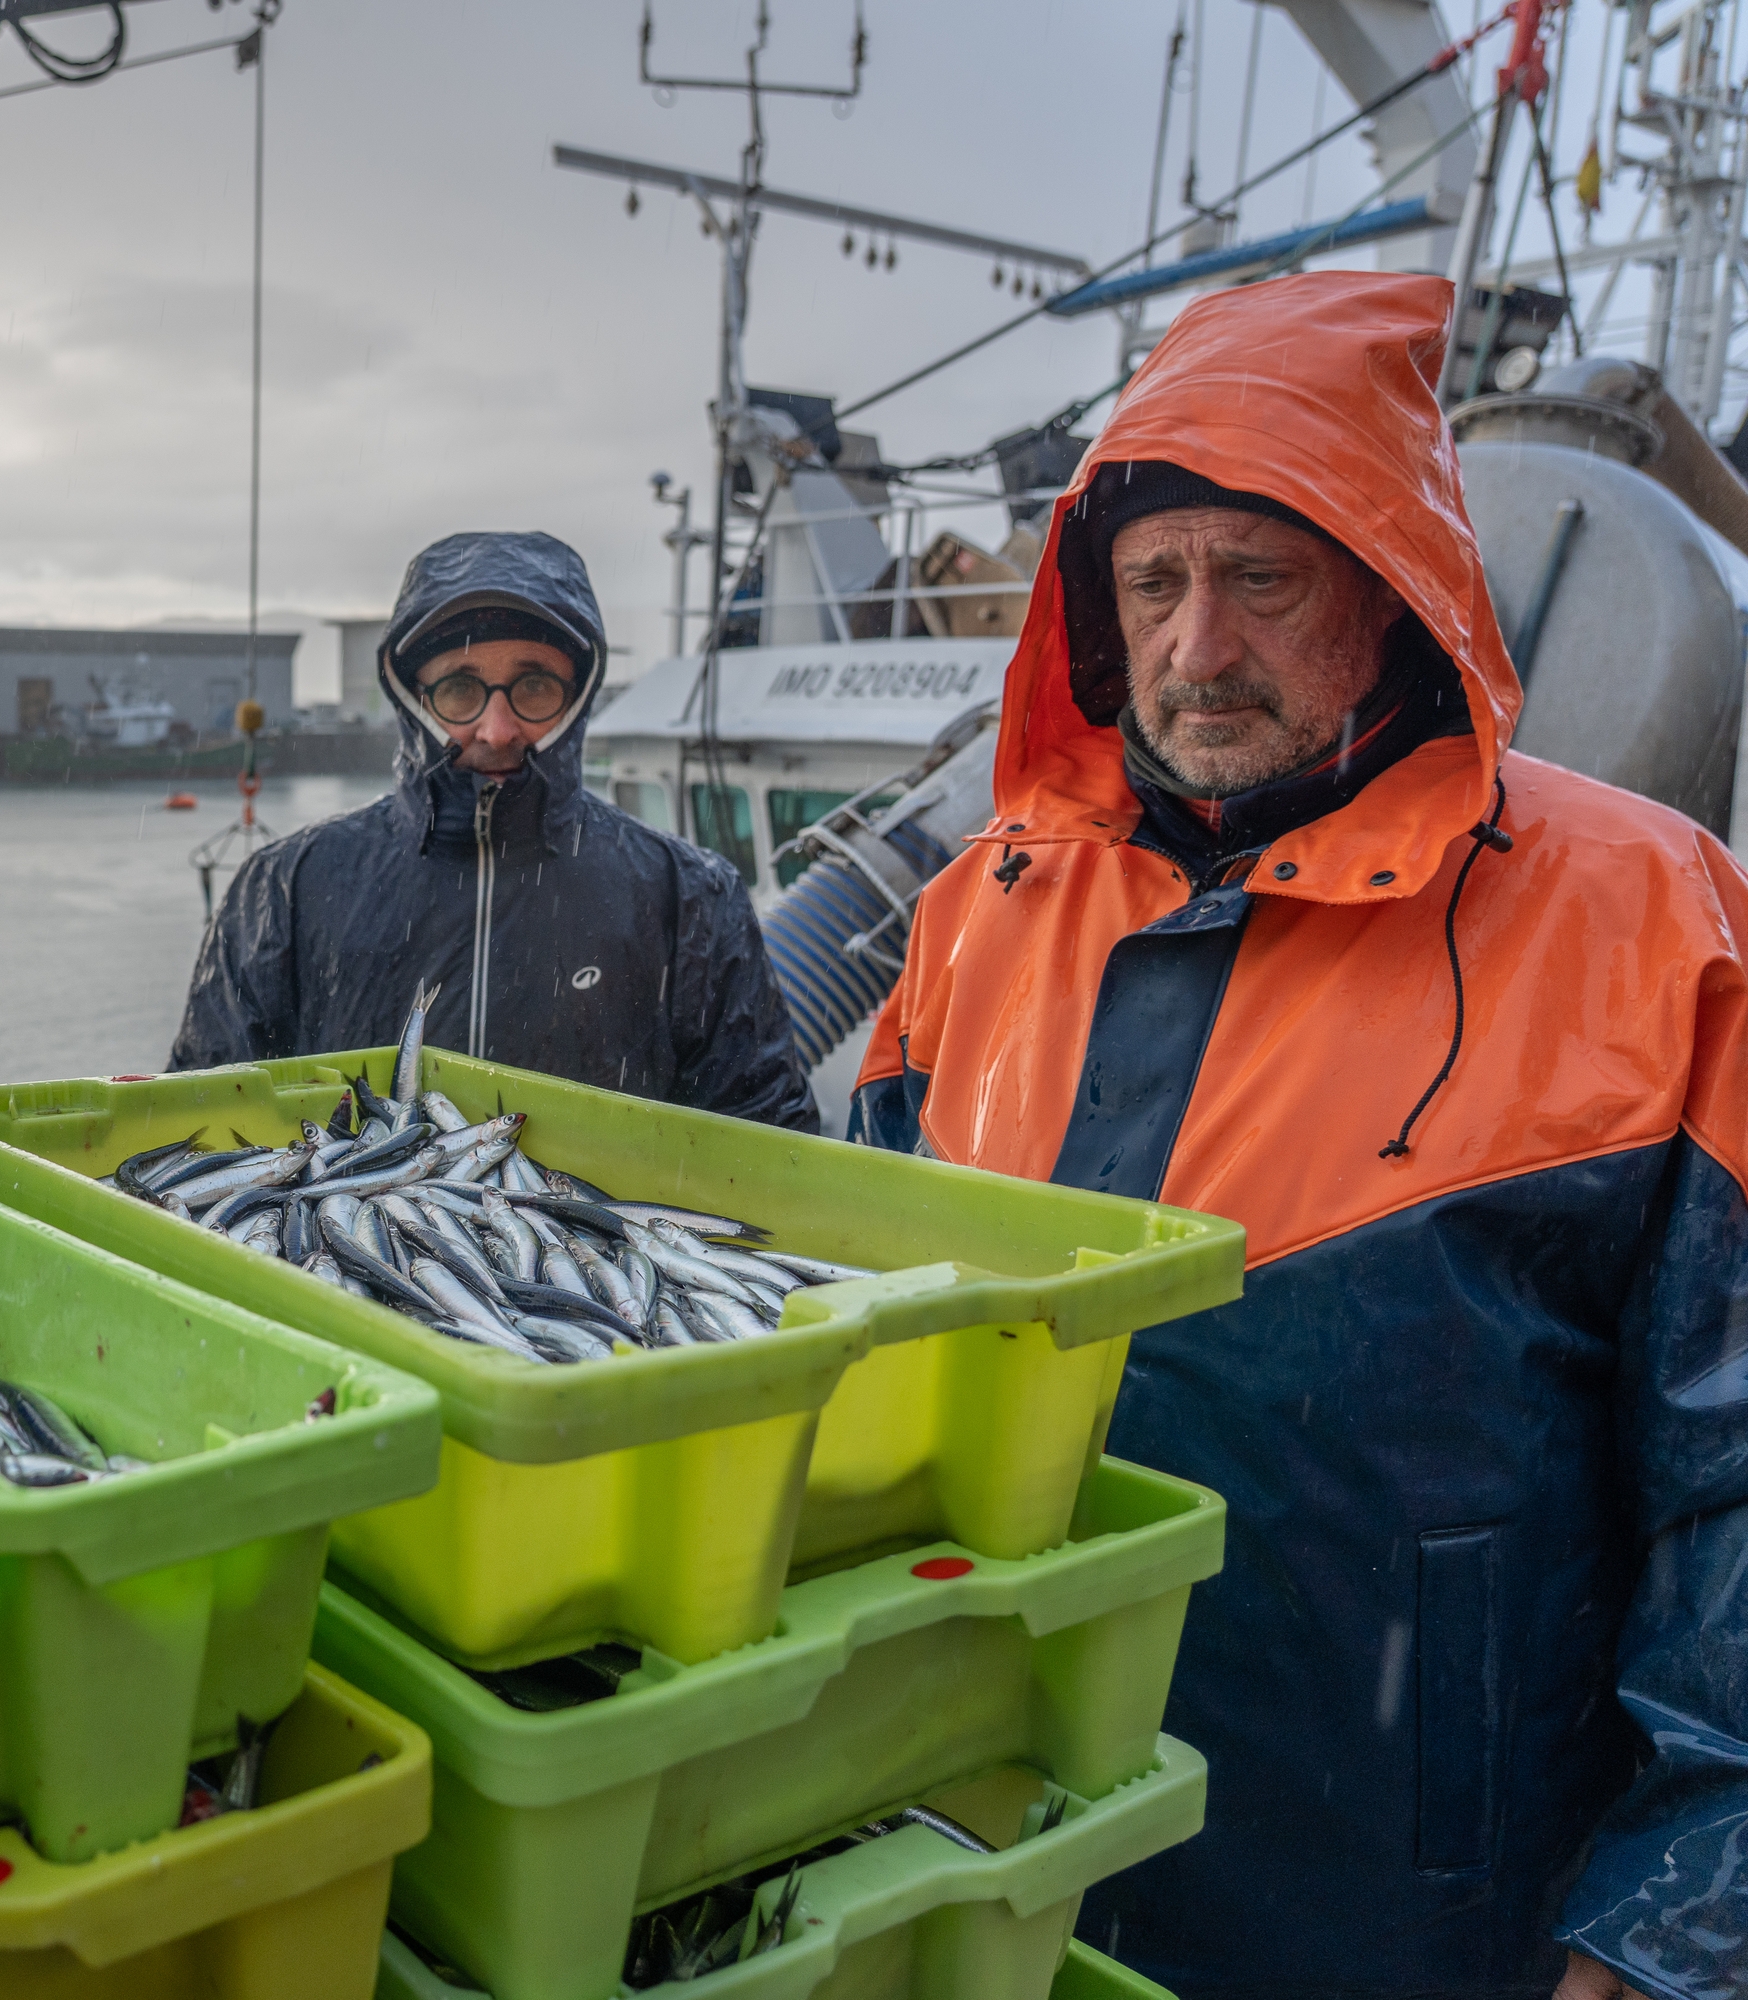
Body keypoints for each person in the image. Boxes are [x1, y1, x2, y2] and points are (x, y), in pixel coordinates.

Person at [851, 270, 1745, 2000]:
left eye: (1261, 579)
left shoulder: (1659, 925)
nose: (1198, 650)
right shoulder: (976, 915)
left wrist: (1671, 1925)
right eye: (1156, 584)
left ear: (1397, 588)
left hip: (1421, 1918)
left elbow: (1734, 1482)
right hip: (1001, 1854)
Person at [170, 530, 818, 1129]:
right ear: (413, 697)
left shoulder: (690, 899)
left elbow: (767, 1141)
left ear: (578, 694)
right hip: (343, 1224)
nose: (498, 730)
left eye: (534, 686)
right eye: (460, 688)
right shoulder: (285, 888)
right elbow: (200, 1123)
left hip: (599, 1228)